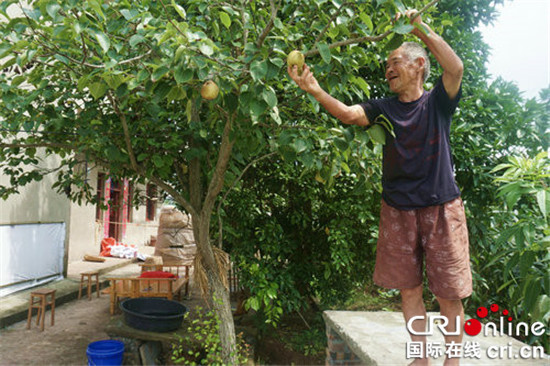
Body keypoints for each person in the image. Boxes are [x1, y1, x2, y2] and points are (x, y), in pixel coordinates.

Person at [288, 9, 471, 366]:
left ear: (419, 64)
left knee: (449, 292)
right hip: (398, 209)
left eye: (395, 62)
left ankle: (452, 361)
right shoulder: (383, 108)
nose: (388, 69)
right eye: (387, 64)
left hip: (440, 206)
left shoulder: (438, 102)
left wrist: (419, 27)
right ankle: (420, 359)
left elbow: (456, 68)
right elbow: (348, 114)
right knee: (409, 289)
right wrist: (315, 89)